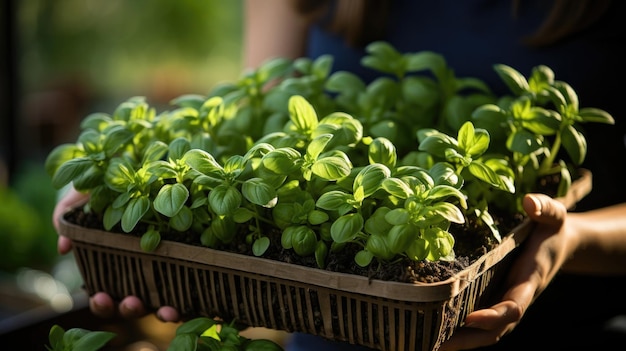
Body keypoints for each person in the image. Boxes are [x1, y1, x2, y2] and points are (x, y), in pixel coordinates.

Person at [53, 0, 626, 350]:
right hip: (330, 337)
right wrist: (132, 175)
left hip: (568, 328)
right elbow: (261, 104)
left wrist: (573, 239)